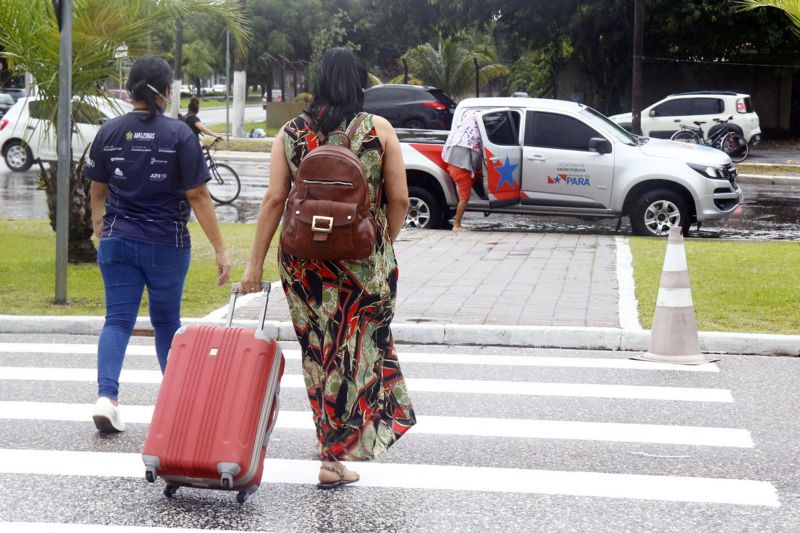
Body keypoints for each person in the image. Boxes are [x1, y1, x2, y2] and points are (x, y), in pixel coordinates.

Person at [240, 47, 416, 489]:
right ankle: (339, 451)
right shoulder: (380, 131)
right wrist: (383, 242)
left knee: (320, 353)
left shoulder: (292, 132)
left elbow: (274, 201)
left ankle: (333, 452)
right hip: (363, 263)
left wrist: (252, 266)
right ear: (359, 83)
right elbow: (400, 200)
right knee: (360, 350)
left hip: (304, 267)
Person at [86, 56, 231, 433]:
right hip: (167, 243)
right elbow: (198, 196)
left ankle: (107, 398)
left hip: (117, 240)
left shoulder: (109, 131)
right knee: (166, 321)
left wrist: (100, 225)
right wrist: (220, 248)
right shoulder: (180, 134)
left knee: (117, 320)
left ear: (131, 89)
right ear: (166, 92)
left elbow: (97, 189)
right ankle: (176, 403)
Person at [442, 110, 482, 231]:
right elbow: (475, 159)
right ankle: (457, 225)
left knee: (462, 195)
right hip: (462, 169)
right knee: (464, 198)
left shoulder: (458, 134)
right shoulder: (473, 138)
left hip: (452, 166)